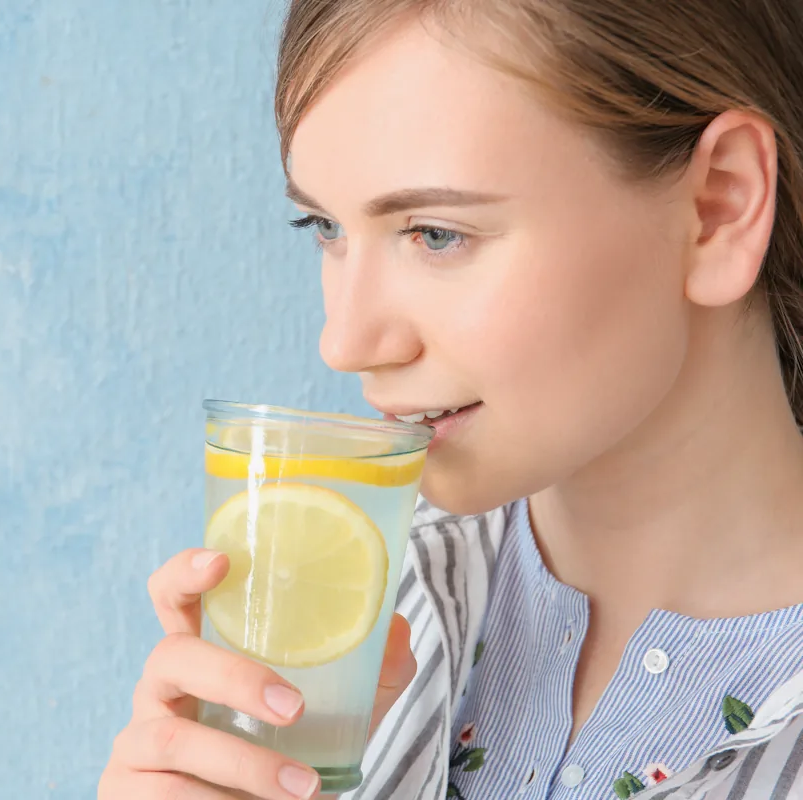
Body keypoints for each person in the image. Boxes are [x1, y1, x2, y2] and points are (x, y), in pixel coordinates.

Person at [98, 0, 803, 797]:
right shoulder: (342, 641)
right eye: (323, 228)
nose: (346, 343)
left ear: (720, 205)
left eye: (436, 234)